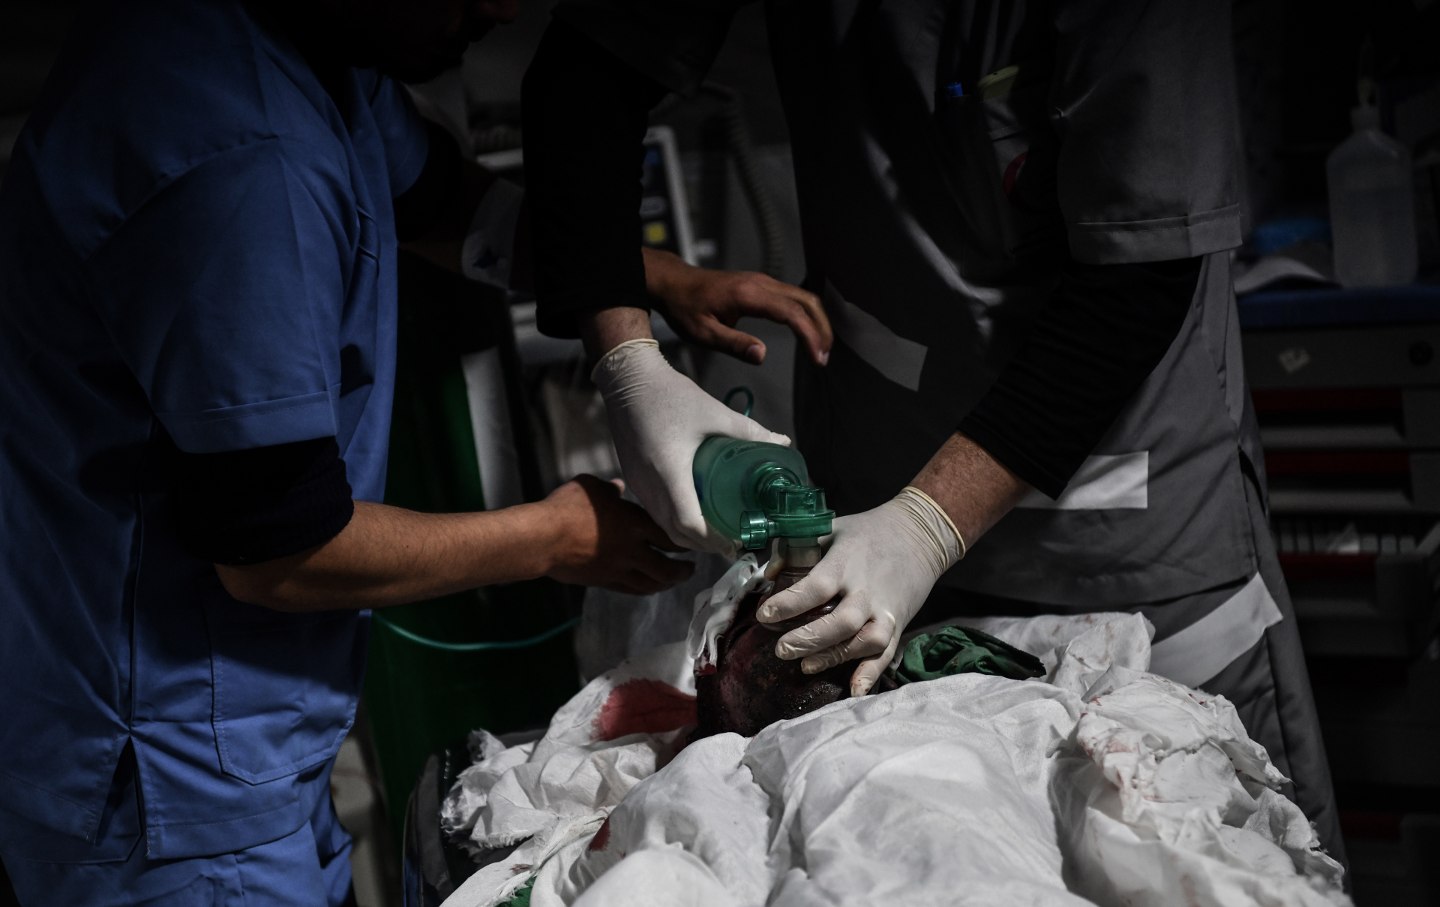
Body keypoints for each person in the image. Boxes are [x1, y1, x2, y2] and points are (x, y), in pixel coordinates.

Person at [0, 0, 827, 903]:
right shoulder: (243, 165)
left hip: (226, 740)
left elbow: (442, 199)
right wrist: (554, 537)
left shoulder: (312, 52)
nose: (508, 8)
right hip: (164, 782)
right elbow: (274, 551)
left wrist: (648, 284)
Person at [520, 0, 1346, 864]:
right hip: (877, 512)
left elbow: (1137, 282)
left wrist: (927, 525)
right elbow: (587, 75)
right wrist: (626, 361)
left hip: (1121, 529)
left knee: (1189, 846)